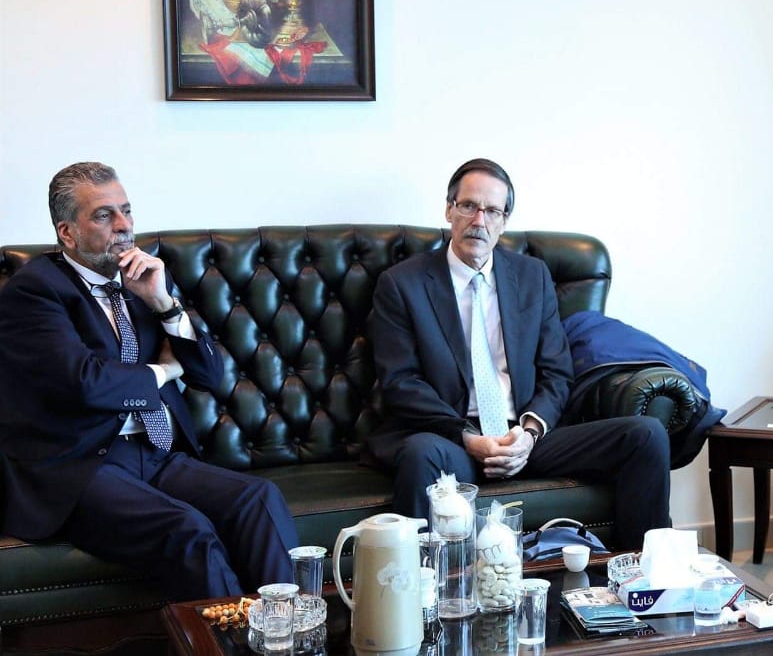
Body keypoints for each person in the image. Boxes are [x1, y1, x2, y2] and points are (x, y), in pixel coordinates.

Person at [0, 163, 297, 600]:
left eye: (126, 210)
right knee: (188, 530)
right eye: (104, 215)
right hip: (82, 467)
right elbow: (88, 383)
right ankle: (227, 636)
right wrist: (165, 371)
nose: (124, 225)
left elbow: (208, 375)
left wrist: (163, 303)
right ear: (67, 233)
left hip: (156, 454)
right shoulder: (34, 292)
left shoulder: (143, 276)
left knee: (259, 498)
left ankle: (285, 628)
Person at [363, 158, 671, 550]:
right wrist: (469, 438)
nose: (479, 220)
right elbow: (401, 382)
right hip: (452, 438)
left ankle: (637, 574)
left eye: (492, 210)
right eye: (469, 206)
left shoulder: (532, 276)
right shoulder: (403, 284)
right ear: (449, 210)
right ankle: (422, 585)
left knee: (646, 436)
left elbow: (556, 371)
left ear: (504, 220)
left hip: (524, 436)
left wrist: (529, 432)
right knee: (420, 454)